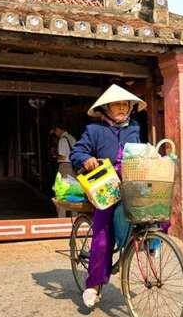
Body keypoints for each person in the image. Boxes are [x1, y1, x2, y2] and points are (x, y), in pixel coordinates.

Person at [69, 84, 146, 308]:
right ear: (106, 109)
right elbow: (77, 151)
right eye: (117, 104)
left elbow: (139, 151)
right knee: (103, 234)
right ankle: (93, 284)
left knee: (152, 212)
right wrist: (86, 159)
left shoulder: (134, 128)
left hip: (131, 184)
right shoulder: (94, 130)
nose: (122, 108)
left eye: (125, 104)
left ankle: (151, 247)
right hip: (107, 187)